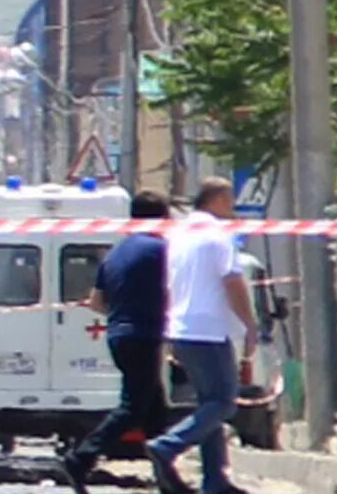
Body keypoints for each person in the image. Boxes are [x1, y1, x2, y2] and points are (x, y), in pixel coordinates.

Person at [61, 190, 177, 494]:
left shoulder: (116, 252)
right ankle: (81, 458)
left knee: (154, 410)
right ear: (162, 218)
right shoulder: (160, 250)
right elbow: (176, 289)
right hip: (143, 335)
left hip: (118, 335)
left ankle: (168, 479)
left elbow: (96, 302)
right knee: (133, 408)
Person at [146, 179, 257, 494]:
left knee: (209, 404)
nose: (232, 207)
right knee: (223, 402)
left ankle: (215, 480)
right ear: (218, 199)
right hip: (208, 330)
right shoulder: (218, 235)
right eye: (229, 200)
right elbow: (233, 282)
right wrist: (249, 324)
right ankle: (167, 446)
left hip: (181, 328)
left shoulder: (179, 235)